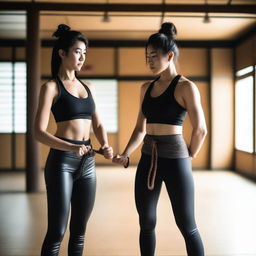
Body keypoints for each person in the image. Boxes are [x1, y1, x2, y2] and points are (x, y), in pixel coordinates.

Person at [113, 22, 207, 256]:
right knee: (146, 222)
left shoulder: (186, 87)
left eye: (154, 56)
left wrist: (190, 154)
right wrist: (125, 153)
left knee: (187, 225)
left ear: (170, 55)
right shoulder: (146, 87)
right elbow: (139, 129)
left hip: (176, 159)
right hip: (148, 158)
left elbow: (200, 129)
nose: (150, 61)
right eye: (147, 56)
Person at [34, 24, 113, 256]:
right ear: (62, 53)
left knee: (79, 230)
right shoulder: (50, 87)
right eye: (78, 51)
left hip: (87, 163)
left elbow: (97, 124)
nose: (82, 56)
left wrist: (105, 144)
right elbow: (38, 132)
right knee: (57, 231)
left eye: (84, 53)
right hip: (61, 163)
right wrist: (70, 147)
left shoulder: (89, 87)